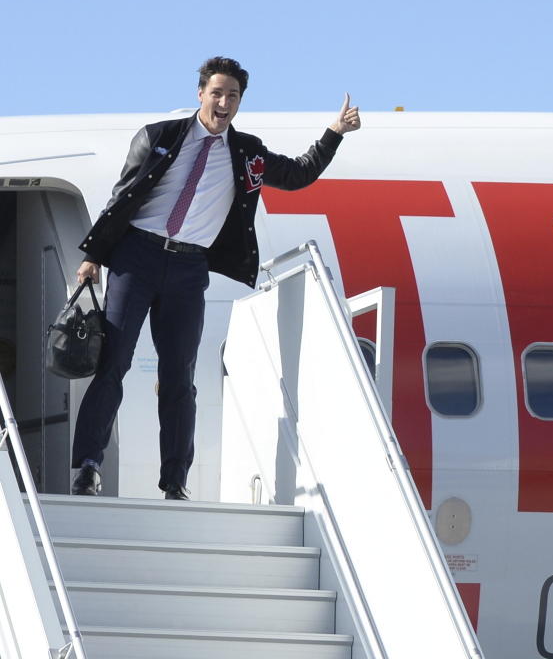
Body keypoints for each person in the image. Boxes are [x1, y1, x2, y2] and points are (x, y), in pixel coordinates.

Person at [70, 56, 360, 499]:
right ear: (200, 92)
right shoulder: (158, 137)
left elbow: (299, 174)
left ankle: (175, 482)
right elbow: (121, 198)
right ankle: (89, 467)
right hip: (138, 256)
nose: (224, 102)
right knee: (114, 364)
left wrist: (334, 134)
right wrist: (93, 256)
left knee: (179, 375)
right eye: (217, 92)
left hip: (189, 268)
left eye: (233, 96)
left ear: (240, 101)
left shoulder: (248, 154)